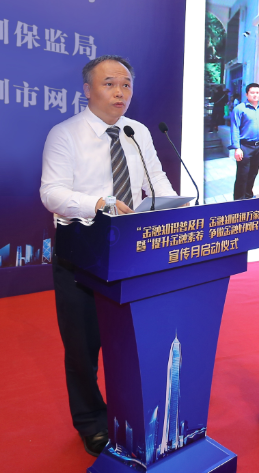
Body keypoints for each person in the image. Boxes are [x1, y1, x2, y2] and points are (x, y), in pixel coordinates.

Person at [40, 55, 177, 457]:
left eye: (126, 84)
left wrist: (174, 207)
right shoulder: (64, 134)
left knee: (131, 341)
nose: (120, 92)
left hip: (132, 252)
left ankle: (133, 412)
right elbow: (51, 193)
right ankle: (90, 422)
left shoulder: (138, 132)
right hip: (83, 251)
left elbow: (156, 179)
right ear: (87, 90)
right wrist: (99, 203)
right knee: (83, 347)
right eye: (110, 84)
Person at [230, 83, 259, 200]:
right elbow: (235, 128)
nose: (255, 95)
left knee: (253, 172)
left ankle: (248, 195)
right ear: (246, 94)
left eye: (257, 92)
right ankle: (239, 199)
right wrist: (237, 148)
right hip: (245, 147)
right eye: (252, 92)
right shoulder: (239, 109)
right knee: (242, 174)